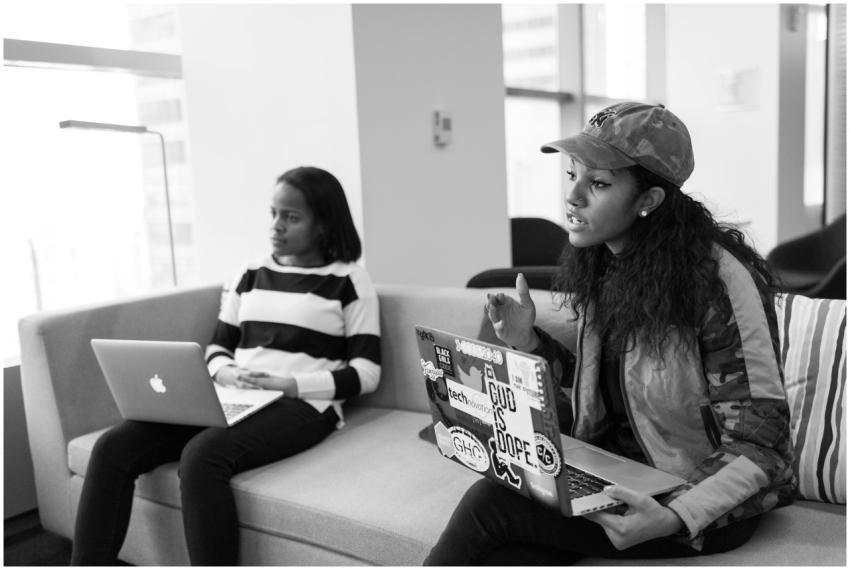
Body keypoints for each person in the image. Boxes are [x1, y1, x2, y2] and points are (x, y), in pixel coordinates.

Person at [424, 102, 795, 565]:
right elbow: (612, 389)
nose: (573, 197)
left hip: (698, 501)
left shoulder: (720, 283)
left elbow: (761, 445)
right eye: (572, 175)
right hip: (621, 476)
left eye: (597, 183)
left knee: (488, 507)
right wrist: (530, 342)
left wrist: (674, 514)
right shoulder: (609, 262)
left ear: (648, 201)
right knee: (508, 543)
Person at [71, 166, 381, 566]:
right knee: (114, 445)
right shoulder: (249, 274)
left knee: (202, 457)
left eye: (291, 217)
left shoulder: (350, 281)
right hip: (234, 393)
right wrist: (225, 372)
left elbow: (367, 372)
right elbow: (218, 346)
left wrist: (290, 384)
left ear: (323, 225)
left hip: (303, 406)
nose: (276, 226)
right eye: (273, 213)